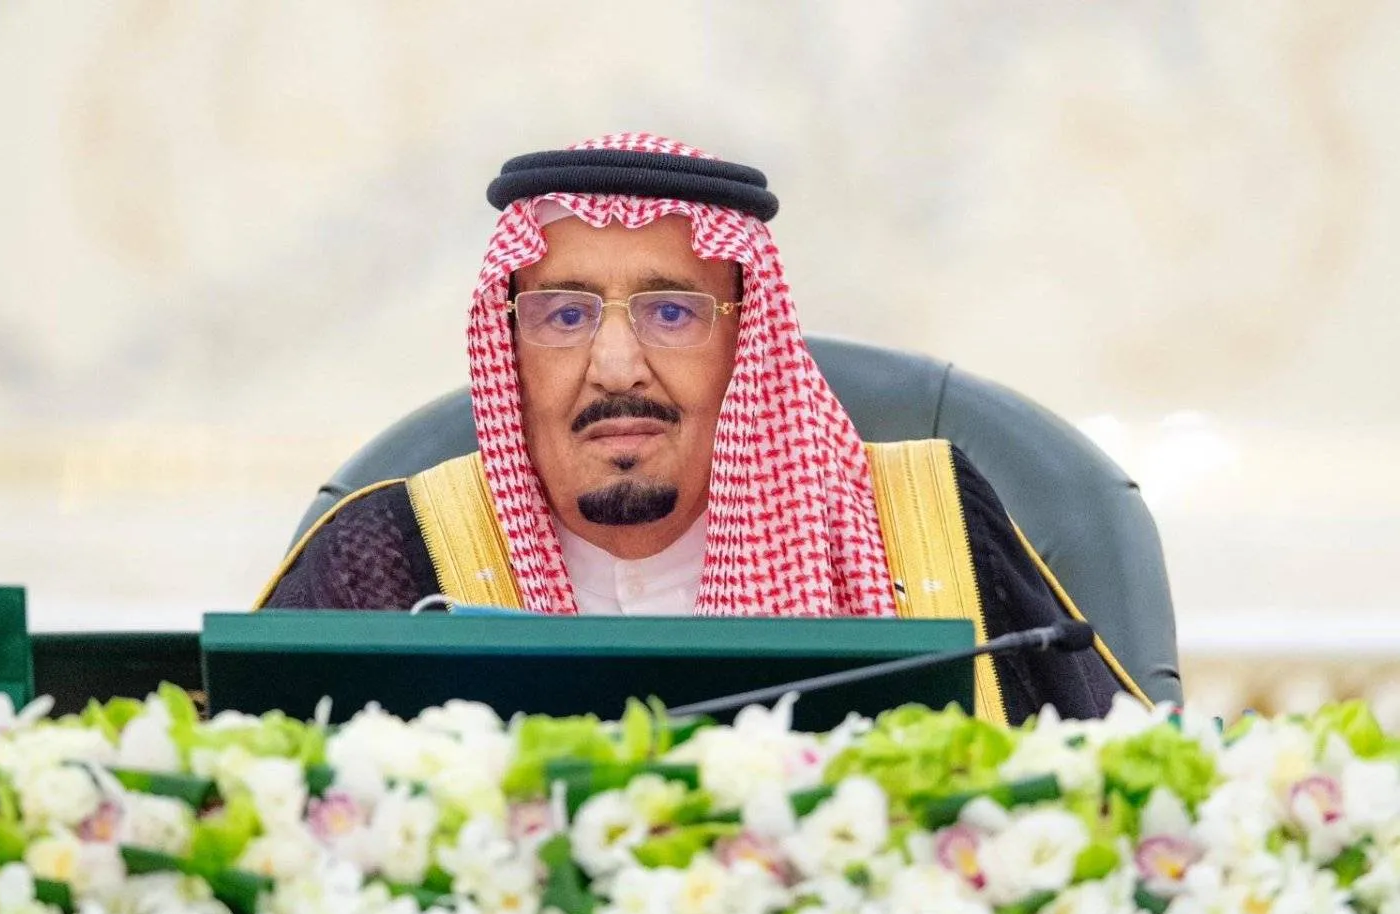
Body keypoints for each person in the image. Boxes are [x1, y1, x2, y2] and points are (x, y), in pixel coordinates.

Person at [258, 133, 1147, 725]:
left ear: (746, 345)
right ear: (511, 347)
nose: (614, 365)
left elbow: (1114, 803)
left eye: (673, 314)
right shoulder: (385, 556)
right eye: (564, 316)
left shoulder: (924, 518)